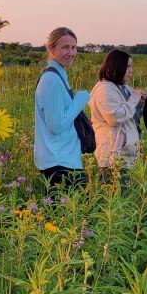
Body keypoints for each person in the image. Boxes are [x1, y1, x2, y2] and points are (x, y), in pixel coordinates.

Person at [34, 26, 91, 189]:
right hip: (59, 162)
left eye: (74, 47)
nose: (71, 53)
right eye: (65, 47)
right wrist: (80, 100)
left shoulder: (57, 77)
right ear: (51, 48)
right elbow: (56, 125)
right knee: (73, 212)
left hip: (63, 159)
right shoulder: (52, 80)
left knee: (71, 212)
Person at [89, 49, 144, 184]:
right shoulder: (104, 89)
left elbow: (131, 117)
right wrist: (134, 99)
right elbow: (114, 118)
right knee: (111, 196)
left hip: (125, 153)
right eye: (128, 66)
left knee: (124, 195)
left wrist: (140, 104)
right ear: (117, 66)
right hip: (112, 154)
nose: (131, 71)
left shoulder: (124, 88)